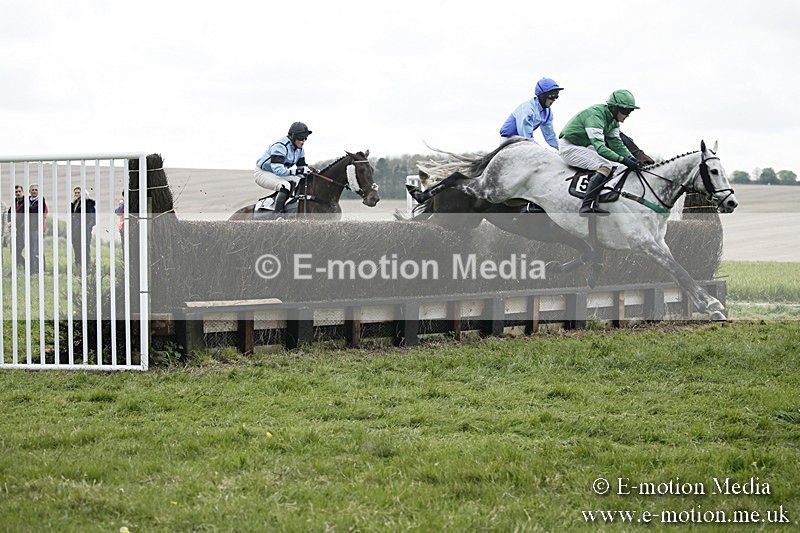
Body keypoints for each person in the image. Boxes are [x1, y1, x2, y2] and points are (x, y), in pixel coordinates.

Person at [558, 89, 642, 216]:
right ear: (614, 108)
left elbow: (616, 144)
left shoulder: (613, 121)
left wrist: (631, 158)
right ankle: (587, 205)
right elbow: (601, 149)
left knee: (620, 166)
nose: (627, 115)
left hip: (584, 146)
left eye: (630, 111)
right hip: (569, 147)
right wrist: (624, 159)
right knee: (606, 165)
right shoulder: (596, 116)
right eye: (625, 111)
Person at [254, 122, 313, 215]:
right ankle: (278, 215)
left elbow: (301, 168)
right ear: (293, 136)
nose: (303, 141)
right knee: (285, 185)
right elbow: (279, 170)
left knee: (300, 180)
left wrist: (309, 172)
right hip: (263, 173)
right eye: (301, 138)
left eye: (305, 138)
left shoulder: (300, 149)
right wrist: (299, 171)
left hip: (277, 173)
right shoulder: (280, 146)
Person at [499, 77, 564, 150]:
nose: (554, 99)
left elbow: (550, 136)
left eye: (556, 96)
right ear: (542, 95)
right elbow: (525, 137)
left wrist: (563, 149)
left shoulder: (547, 112)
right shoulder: (528, 109)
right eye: (551, 96)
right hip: (508, 142)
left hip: (523, 142)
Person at [70, 187, 97, 268]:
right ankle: (78, 266)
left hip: (84, 230)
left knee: (85, 248)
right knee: (76, 248)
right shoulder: (75, 204)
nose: (77, 194)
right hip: (75, 230)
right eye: (75, 193)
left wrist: (87, 228)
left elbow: (92, 218)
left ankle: (86, 266)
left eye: (79, 192)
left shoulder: (88, 203)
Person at [27, 184, 48, 273]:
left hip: (36, 228)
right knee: (31, 249)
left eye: (36, 190)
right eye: (33, 190)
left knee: (37, 249)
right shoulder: (27, 200)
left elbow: (35, 210)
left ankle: (39, 269)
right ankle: (33, 268)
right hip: (28, 228)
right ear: (29, 191)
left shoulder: (40, 200)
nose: (34, 191)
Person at [6, 185, 26, 268]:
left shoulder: (26, 202)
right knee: (13, 250)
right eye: (16, 192)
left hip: (24, 230)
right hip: (16, 230)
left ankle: (25, 266)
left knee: (18, 249)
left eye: (19, 191)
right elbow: (9, 214)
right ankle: (18, 267)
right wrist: (10, 222)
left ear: (22, 192)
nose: (18, 193)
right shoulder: (14, 202)